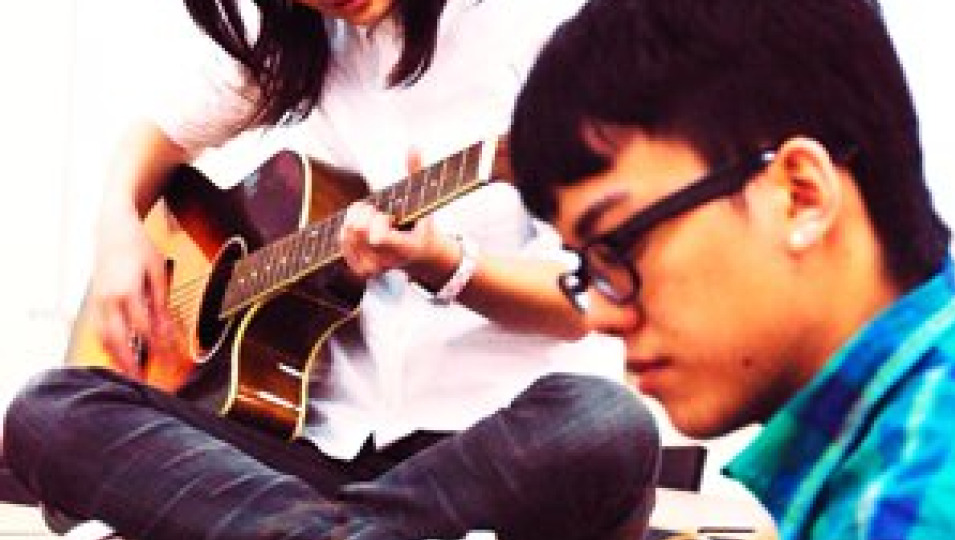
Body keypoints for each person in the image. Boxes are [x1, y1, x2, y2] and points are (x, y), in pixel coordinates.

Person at [2, 1, 661, 539]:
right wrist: (117, 224)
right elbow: (156, 134)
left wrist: (442, 264)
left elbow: (583, 301)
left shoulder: (537, 28)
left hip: (483, 453)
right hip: (309, 455)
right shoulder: (294, 37)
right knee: (49, 410)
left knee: (605, 423)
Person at [508, 0, 955, 538]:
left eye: (618, 246)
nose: (600, 316)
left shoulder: (910, 507)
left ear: (799, 196)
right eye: (587, 271)